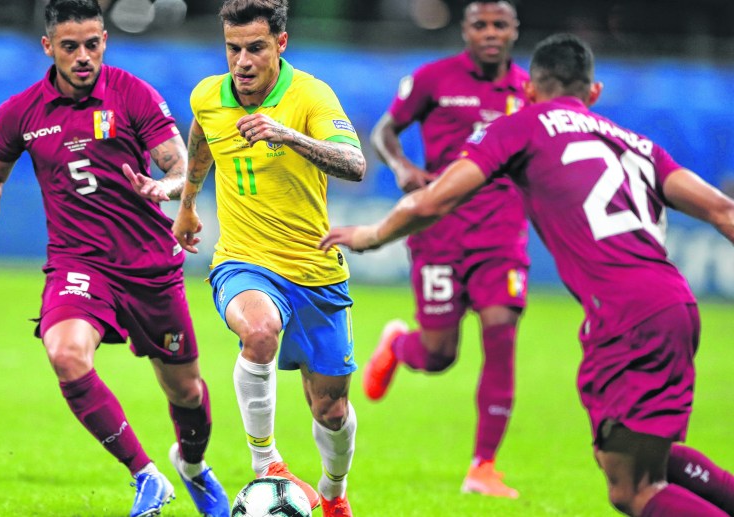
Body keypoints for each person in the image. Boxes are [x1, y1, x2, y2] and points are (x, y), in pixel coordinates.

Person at [320, 33, 734, 517]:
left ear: (530, 90)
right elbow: (723, 211)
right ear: (593, 92)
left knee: (633, 489)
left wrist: (372, 234)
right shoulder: (637, 143)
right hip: (676, 305)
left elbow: (434, 200)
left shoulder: (521, 125)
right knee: (650, 456)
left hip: (626, 315)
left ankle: (484, 462)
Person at [0, 1, 229, 516]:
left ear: (104, 41)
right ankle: (146, 475)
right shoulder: (22, 111)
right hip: (79, 264)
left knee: (186, 391)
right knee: (65, 354)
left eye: (92, 44)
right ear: (49, 47)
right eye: (70, 46)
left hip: (149, 265)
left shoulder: (133, 94)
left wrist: (166, 187)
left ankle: (193, 466)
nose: (83, 56)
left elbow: (180, 166)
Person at [172, 1, 366, 515]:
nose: (242, 61)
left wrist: (289, 135)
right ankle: (267, 465)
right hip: (243, 261)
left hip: (316, 272)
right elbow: (202, 135)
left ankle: (334, 493)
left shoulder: (311, 95)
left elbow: (355, 163)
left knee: (331, 410)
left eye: (255, 48)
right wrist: (188, 204)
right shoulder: (208, 96)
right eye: (233, 48)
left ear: (280, 44)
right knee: (258, 332)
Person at [367, 0, 527, 498]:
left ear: (515, 31)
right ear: (465, 30)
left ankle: (484, 467)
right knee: (438, 355)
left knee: (501, 333)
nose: (490, 33)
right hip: (438, 231)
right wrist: (402, 167)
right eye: (481, 25)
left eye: (500, 25)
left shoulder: (528, 90)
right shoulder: (434, 79)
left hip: (501, 236)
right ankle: (398, 345)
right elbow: (384, 131)